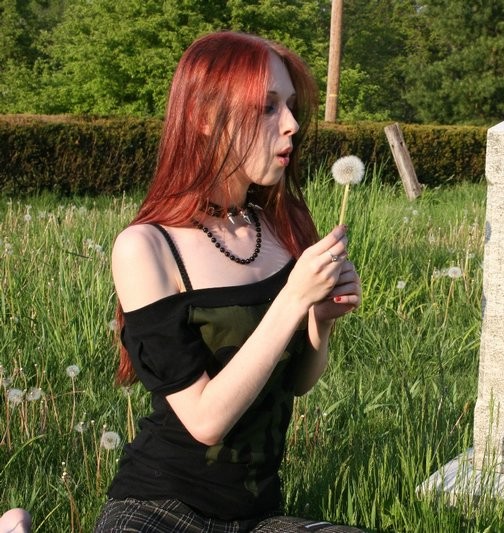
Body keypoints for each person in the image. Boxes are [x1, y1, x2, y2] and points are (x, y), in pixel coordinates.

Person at [94, 31, 362, 532]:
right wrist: (293, 300)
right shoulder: (147, 248)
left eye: (290, 106)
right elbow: (204, 420)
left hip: (258, 517)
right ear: (203, 118)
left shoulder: (279, 229)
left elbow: (298, 383)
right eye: (267, 107)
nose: (292, 125)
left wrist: (320, 322)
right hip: (161, 508)